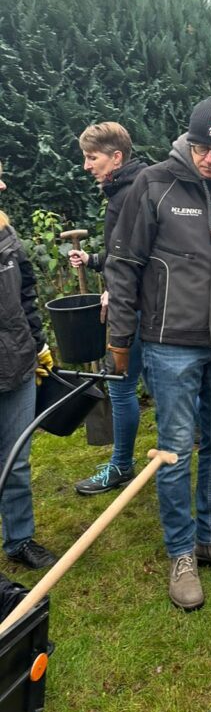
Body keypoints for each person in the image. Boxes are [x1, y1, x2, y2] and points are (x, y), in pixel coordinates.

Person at [106, 96, 211, 611]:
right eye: (202, 148)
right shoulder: (154, 184)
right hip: (169, 343)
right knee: (175, 447)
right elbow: (123, 262)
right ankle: (181, 550)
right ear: (190, 142)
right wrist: (119, 336)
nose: (209, 159)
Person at [67, 122, 147, 495]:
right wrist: (97, 260)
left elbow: (139, 260)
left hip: (135, 309)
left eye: (91, 157)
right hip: (146, 305)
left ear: (116, 157)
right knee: (166, 381)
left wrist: (116, 292)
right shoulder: (137, 186)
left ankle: (121, 466)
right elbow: (125, 253)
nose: (86, 165)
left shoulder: (128, 195)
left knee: (121, 385)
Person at [0, 161, 58, 569]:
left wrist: (37, 345)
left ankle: (19, 539)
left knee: (15, 460)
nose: (3, 182)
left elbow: (25, 292)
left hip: (16, 362)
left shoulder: (4, 230)